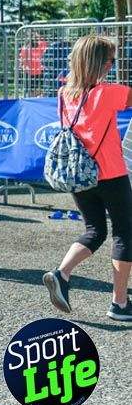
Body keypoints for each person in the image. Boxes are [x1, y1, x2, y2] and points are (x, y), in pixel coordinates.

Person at [43, 35, 132, 321]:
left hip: (79, 174)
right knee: (124, 233)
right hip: (111, 173)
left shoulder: (64, 94)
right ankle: (119, 303)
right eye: (111, 61)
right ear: (100, 63)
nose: (112, 66)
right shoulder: (108, 93)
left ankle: (62, 273)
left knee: (95, 230)